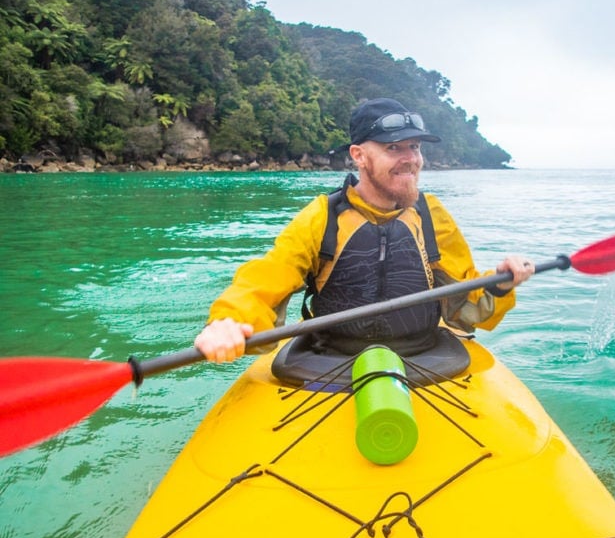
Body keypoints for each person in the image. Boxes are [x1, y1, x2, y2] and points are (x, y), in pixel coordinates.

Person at [195, 97, 535, 363]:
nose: (410, 158)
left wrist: (500, 284)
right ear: (359, 155)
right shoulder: (322, 216)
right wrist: (227, 321)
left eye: (414, 147)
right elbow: (266, 277)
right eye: (393, 148)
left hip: (423, 353)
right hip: (329, 357)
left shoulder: (431, 216)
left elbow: (468, 309)